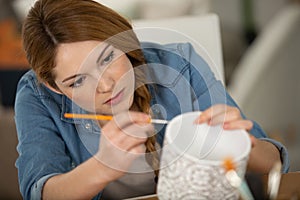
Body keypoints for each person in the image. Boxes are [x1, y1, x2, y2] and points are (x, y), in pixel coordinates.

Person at [14, 0, 289, 199]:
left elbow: (274, 163)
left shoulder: (176, 63)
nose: (108, 85)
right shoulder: (37, 95)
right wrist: (102, 166)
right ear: (56, 87)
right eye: (78, 81)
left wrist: (240, 145)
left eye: (107, 58)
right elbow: (40, 192)